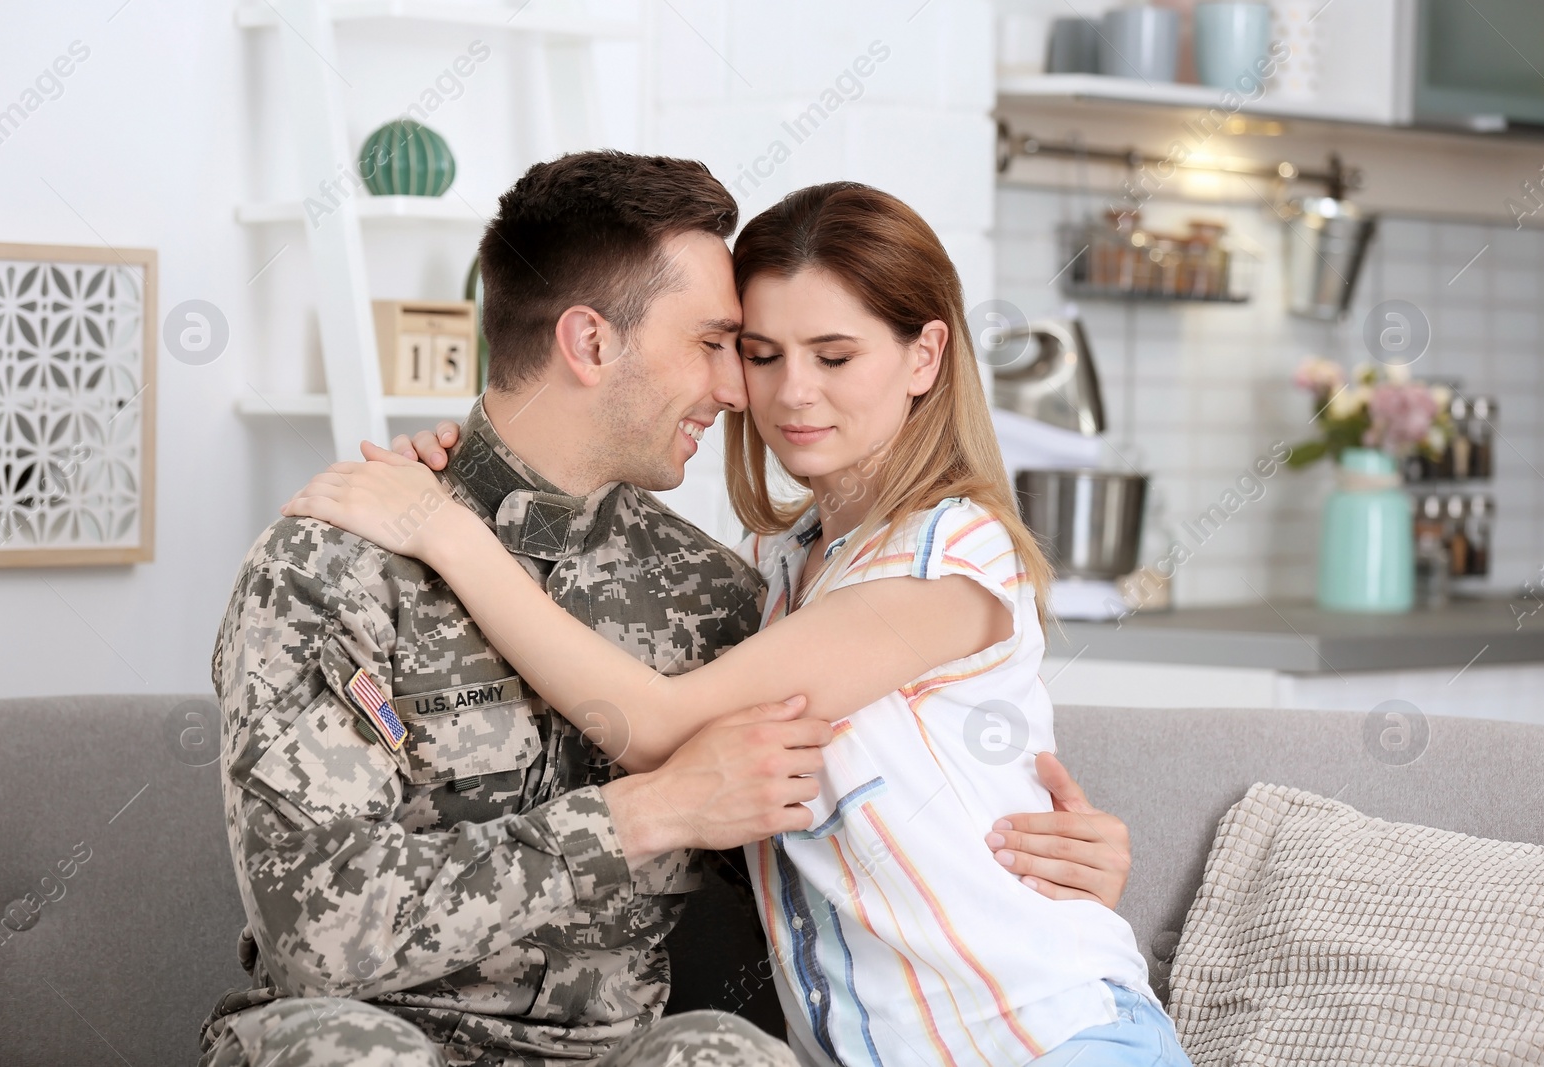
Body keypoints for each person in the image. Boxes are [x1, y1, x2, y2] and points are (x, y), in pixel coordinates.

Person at [206, 153, 1132, 1067]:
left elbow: (827, 840)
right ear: (590, 342)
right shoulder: (334, 564)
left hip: (621, 1052)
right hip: (369, 1038)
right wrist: (644, 812)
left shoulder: (720, 598)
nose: (744, 392)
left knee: (723, 1054)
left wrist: (1040, 856)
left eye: (761, 352)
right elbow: (313, 938)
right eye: (721, 346)